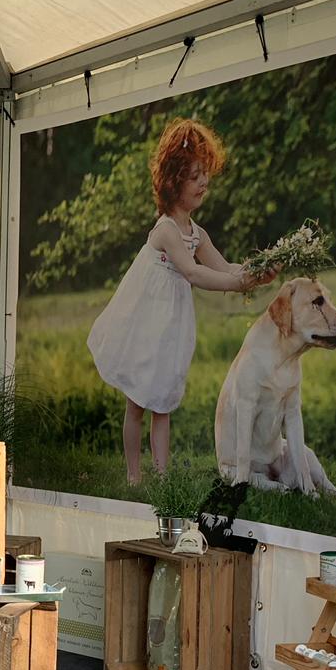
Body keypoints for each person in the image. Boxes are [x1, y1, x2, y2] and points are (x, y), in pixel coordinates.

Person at [87, 117, 272, 484]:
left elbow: (222, 266)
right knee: (137, 403)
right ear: (173, 182)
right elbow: (194, 273)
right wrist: (237, 285)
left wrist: (256, 272)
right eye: (194, 177)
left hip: (170, 327)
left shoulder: (195, 232)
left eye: (205, 175)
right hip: (146, 323)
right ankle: (134, 476)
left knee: (163, 401)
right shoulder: (167, 230)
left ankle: (161, 476)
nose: (204, 183)